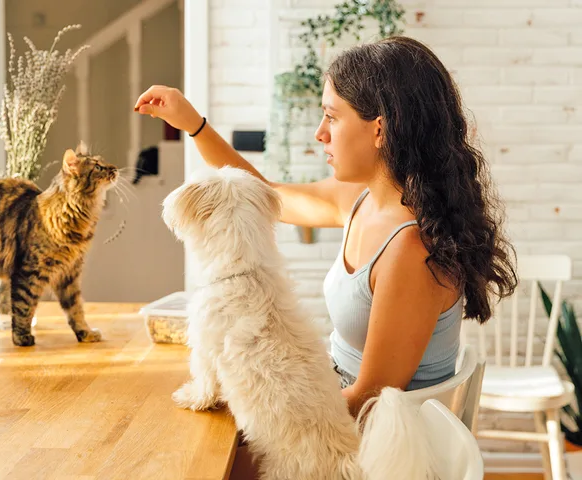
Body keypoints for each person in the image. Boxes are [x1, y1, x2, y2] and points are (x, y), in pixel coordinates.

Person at [134, 34, 517, 476]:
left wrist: (263, 404)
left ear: (380, 128)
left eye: (331, 117)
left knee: (196, 452)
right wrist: (194, 124)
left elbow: (369, 398)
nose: (320, 134)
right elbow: (266, 193)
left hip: (363, 445)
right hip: (330, 404)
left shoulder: (412, 252)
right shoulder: (363, 199)